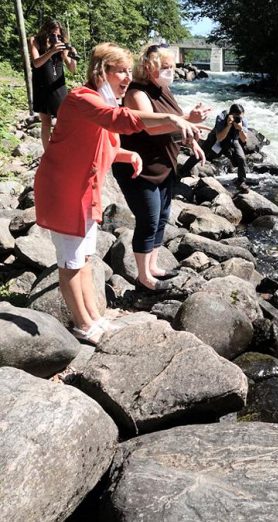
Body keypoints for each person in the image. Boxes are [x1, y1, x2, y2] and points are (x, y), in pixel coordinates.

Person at [33, 43, 202, 344]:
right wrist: (177, 119)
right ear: (101, 71)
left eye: (128, 70)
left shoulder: (101, 103)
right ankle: (83, 325)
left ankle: (94, 317)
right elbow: (121, 120)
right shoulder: (81, 98)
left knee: (84, 258)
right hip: (65, 191)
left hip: (85, 191)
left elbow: (109, 144)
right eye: (121, 70)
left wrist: (129, 156)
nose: (127, 76)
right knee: (70, 264)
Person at [112, 44, 209, 291]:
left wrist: (190, 139)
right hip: (139, 168)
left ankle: (153, 267)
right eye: (165, 67)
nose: (170, 71)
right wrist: (188, 119)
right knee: (148, 218)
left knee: (162, 218)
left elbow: (172, 124)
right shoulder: (136, 92)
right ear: (148, 66)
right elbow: (151, 126)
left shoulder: (163, 89)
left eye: (172, 66)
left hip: (164, 164)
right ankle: (144, 278)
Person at [29, 20, 78, 150]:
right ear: (46, 31)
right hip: (41, 85)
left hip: (58, 86)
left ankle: (62, 149)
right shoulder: (35, 40)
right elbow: (36, 63)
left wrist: (71, 55)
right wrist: (51, 51)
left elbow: (72, 70)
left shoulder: (61, 44)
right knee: (46, 122)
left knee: (64, 120)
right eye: (53, 34)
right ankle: (47, 153)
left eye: (59, 35)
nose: (56, 37)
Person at [181, 103, 250, 191]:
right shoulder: (222, 117)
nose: (238, 119)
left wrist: (240, 129)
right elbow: (219, 137)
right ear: (230, 114)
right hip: (215, 139)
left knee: (241, 158)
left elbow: (244, 140)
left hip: (233, 140)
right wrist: (228, 125)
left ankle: (241, 182)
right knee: (200, 154)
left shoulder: (242, 120)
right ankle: (183, 171)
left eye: (240, 117)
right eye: (236, 117)